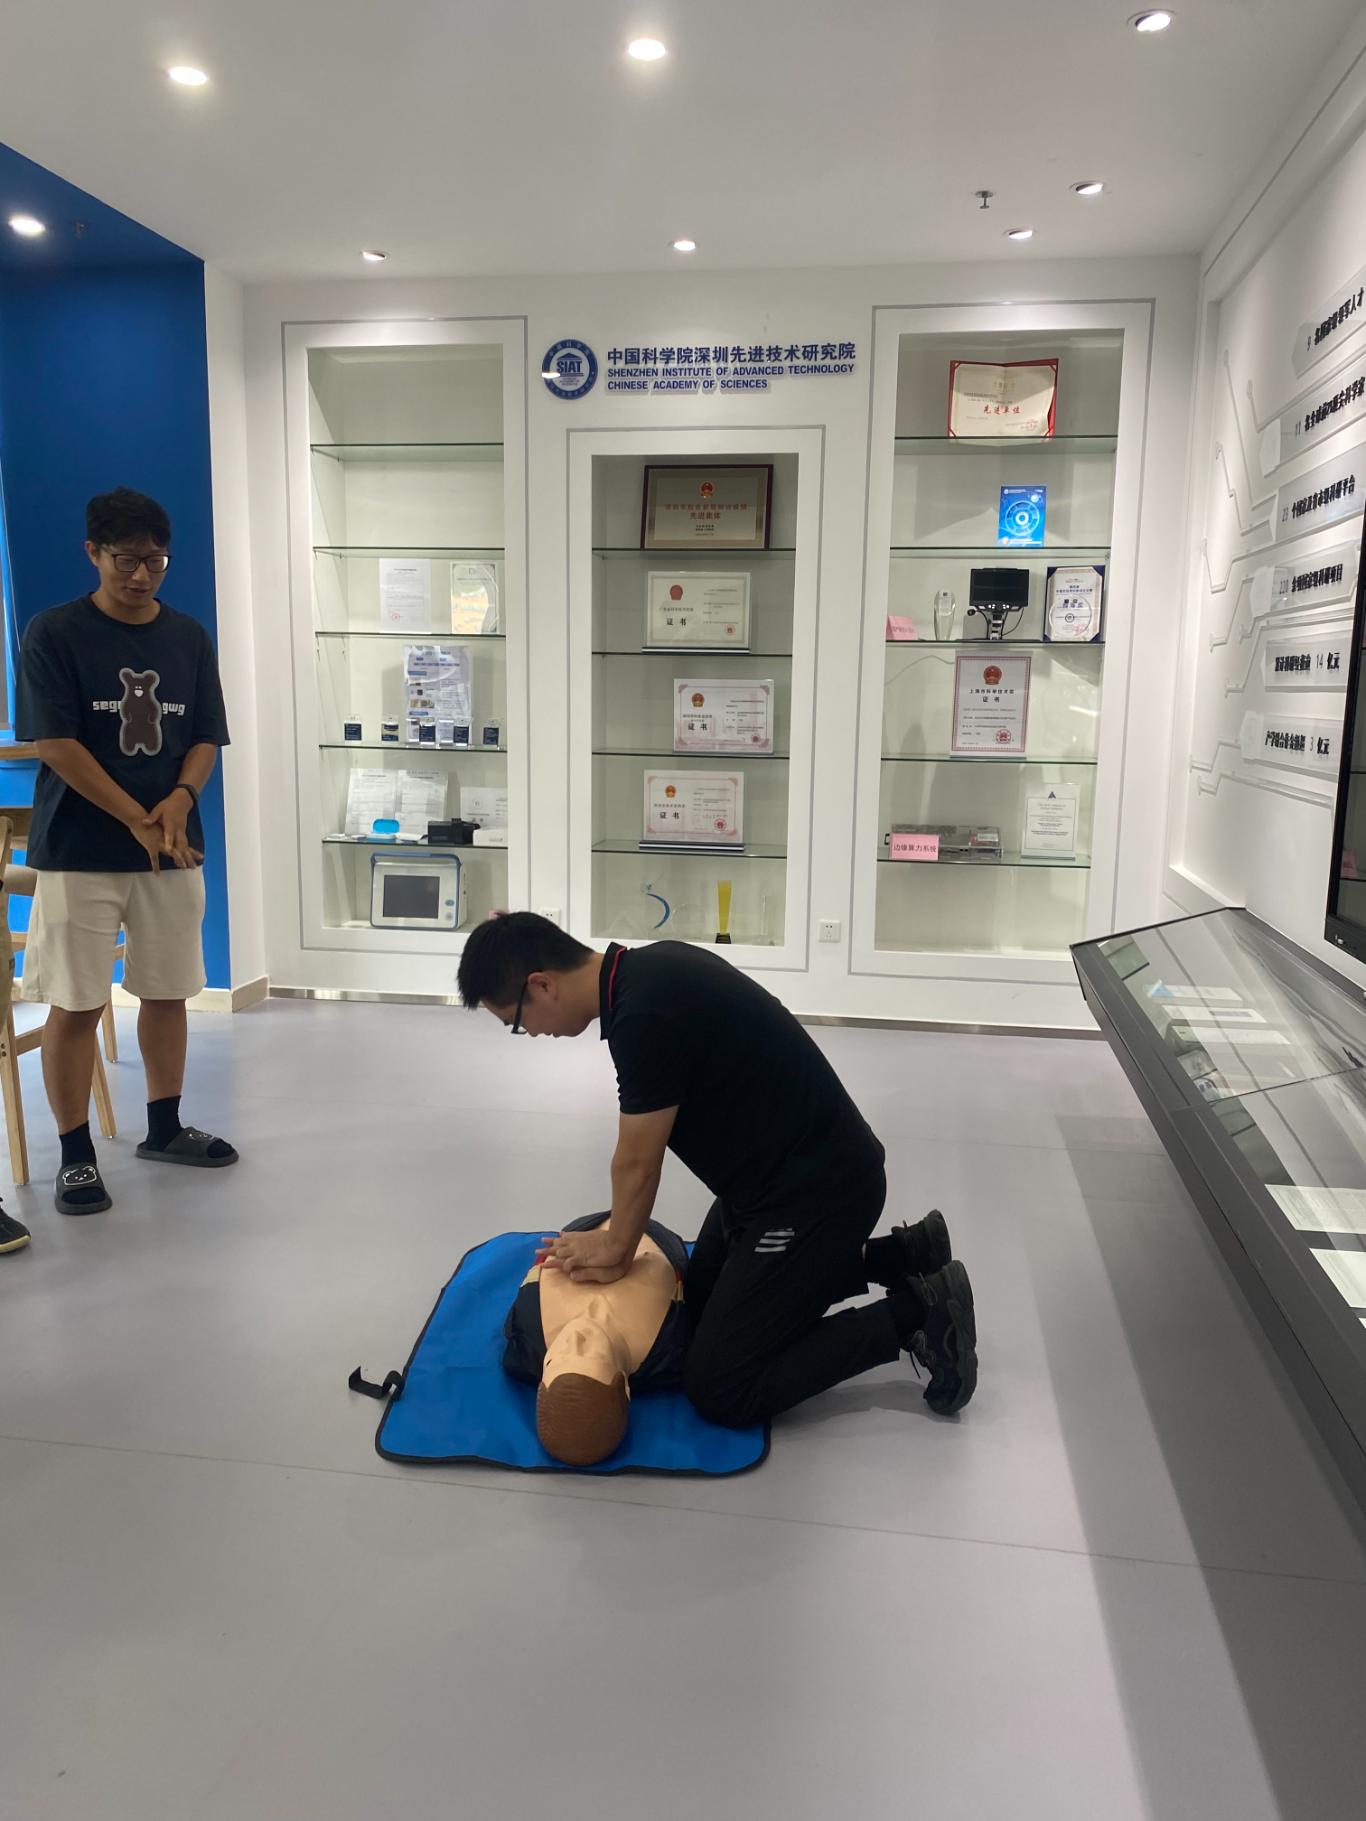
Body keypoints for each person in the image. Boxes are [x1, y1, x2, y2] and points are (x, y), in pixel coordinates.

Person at [457, 913, 977, 1428]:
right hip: (766, 1188)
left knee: (720, 1385)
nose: (531, 1033)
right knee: (695, 1310)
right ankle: (902, 1255)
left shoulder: (644, 1016)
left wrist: (616, 1246)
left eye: (517, 1023)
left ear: (542, 985)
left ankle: (919, 1313)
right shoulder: (648, 971)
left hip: (818, 1193)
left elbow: (637, 1162)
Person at [14, 486, 237, 1219]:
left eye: (155, 560)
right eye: (126, 559)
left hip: (171, 848)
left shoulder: (188, 637)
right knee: (76, 1001)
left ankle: (165, 1126)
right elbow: (57, 744)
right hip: (80, 850)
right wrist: (135, 817)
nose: (142, 574)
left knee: (168, 991)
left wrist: (180, 799)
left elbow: (205, 734)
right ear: (94, 553)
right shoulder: (54, 633)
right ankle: (75, 1155)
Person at [502, 1211, 691, 1465]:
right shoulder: (667, 1348)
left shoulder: (527, 1337)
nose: (575, 1338)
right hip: (647, 1231)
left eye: (555, 1360)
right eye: (589, 1355)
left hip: (580, 1232)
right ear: (624, 1386)